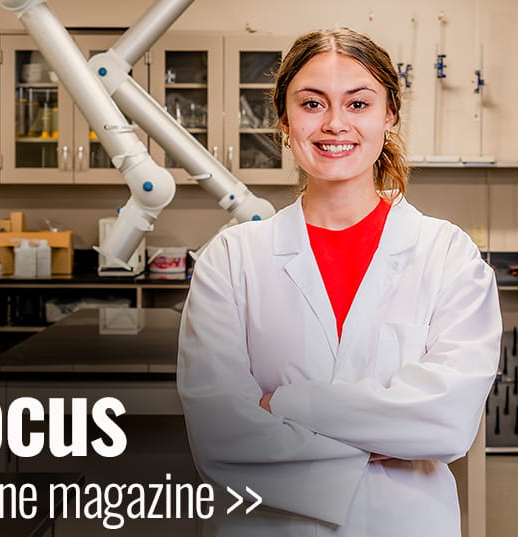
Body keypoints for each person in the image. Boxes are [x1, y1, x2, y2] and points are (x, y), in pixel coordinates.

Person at [177, 27, 501, 537]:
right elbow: (221, 434)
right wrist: (382, 433)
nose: (334, 124)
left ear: (388, 114)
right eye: (311, 103)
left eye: (357, 103)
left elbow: (447, 421)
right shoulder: (232, 259)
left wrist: (285, 404)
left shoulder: (447, 256)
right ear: (283, 120)